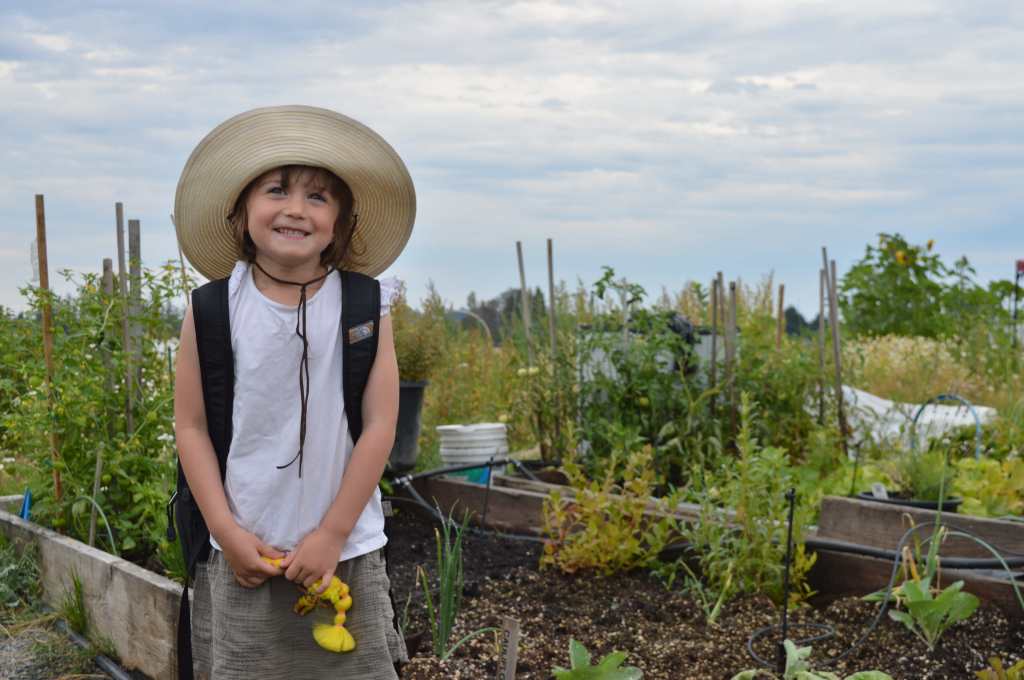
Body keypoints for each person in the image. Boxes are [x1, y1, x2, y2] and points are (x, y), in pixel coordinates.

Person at [172, 105, 416, 680]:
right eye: (276, 189)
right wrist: (227, 534)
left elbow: (381, 424)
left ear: (341, 223)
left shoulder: (364, 306)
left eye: (318, 197)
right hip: (245, 554)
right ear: (241, 212)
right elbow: (192, 427)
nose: (294, 209)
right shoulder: (211, 311)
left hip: (344, 551)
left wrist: (331, 533)